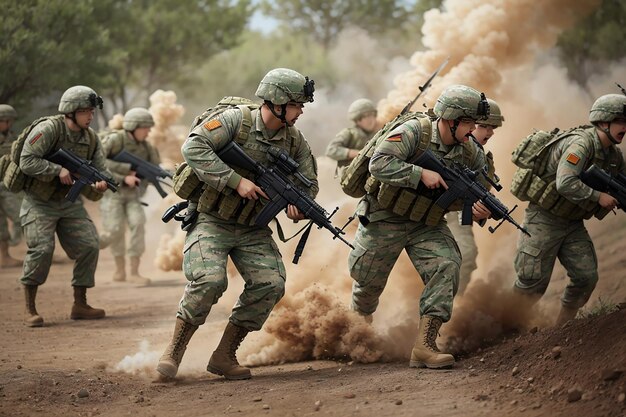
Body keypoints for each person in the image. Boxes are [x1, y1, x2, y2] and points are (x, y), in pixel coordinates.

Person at [157, 68, 318, 380]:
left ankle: (224, 355)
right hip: (211, 220)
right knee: (210, 281)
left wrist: (297, 205)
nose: (301, 111)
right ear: (278, 102)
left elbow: (309, 184)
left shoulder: (294, 141)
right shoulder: (236, 121)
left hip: (252, 228)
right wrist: (235, 181)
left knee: (270, 283)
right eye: (298, 105)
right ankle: (174, 351)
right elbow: (194, 147)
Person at [348, 85, 492, 369]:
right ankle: (357, 330)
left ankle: (425, 346)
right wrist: (418, 173)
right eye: (469, 122)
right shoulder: (415, 132)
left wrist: (478, 210)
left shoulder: (471, 152)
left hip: (426, 222)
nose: (474, 128)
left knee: (448, 264)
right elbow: (379, 163)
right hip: (385, 215)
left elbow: (477, 190)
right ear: (451, 119)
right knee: (367, 281)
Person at [513, 93, 626, 325]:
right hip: (544, 218)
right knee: (532, 283)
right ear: (604, 121)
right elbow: (564, 183)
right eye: (621, 121)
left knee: (586, 277)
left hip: (572, 224)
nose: (625, 127)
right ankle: (502, 328)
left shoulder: (613, 156)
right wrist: (598, 196)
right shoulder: (581, 144)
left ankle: (564, 328)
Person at [19, 85, 111, 327]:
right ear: (70, 112)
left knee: (90, 244)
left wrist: (100, 182)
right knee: (42, 249)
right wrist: (56, 169)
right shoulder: (49, 129)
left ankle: (80, 304)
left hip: (68, 203)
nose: (91, 116)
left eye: (92, 112)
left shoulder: (91, 138)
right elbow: (26, 160)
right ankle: (30, 308)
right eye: (86, 112)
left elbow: (102, 169)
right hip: (40, 202)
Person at [445, 98, 505, 294]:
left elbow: (481, 188)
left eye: (492, 127)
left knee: (466, 258)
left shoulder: (480, 155)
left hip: (456, 210)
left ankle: (449, 303)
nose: (491, 132)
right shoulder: (453, 146)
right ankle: (447, 303)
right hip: (444, 211)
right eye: (484, 126)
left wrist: (482, 209)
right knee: (465, 255)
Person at [99, 107, 160, 285]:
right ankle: (119, 269)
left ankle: (134, 271)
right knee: (116, 229)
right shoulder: (115, 140)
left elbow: (154, 169)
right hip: (113, 193)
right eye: (145, 128)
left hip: (133, 195)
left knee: (138, 223)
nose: (148, 132)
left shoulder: (147, 147)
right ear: (133, 126)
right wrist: (124, 175)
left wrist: (144, 181)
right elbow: (99, 163)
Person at [325, 98, 378, 177]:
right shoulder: (349, 133)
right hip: (354, 177)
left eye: (372, 115)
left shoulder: (376, 134)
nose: (371, 119)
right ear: (357, 119)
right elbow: (331, 150)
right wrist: (357, 154)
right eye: (366, 116)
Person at [0, 104, 23, 267]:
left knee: (18, 216)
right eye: (7, 121)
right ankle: (4, 256)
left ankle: (12, 248)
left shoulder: (11, 137)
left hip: (6, 185)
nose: (9, 124)